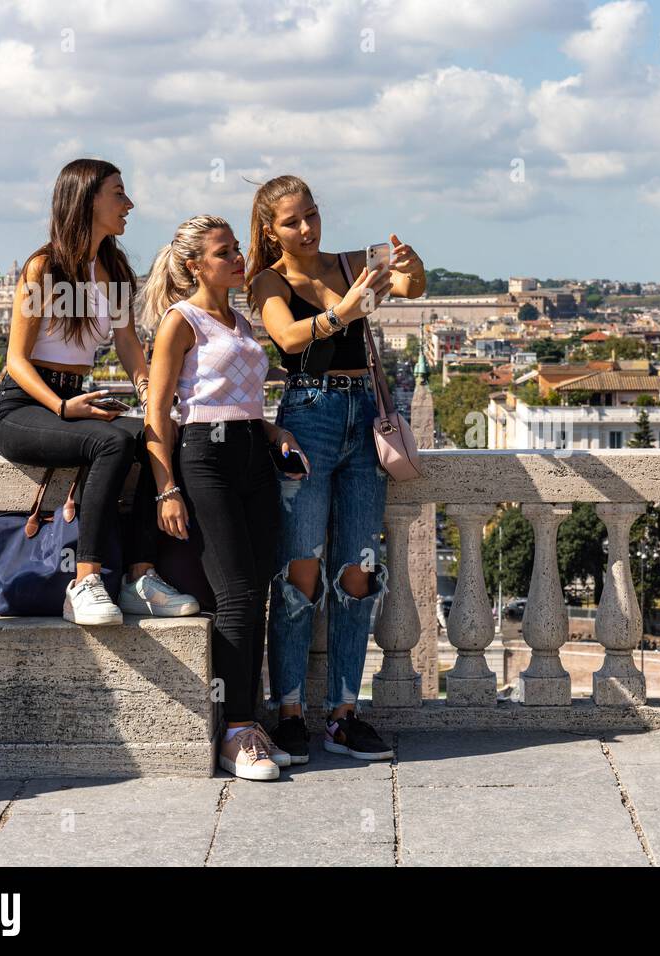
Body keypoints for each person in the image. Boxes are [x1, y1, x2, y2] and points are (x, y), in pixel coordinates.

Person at [246, 175, 425, 765]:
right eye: (293, 221)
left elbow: (409, 286)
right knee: (300, 573)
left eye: (312, 215)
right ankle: (291, 712)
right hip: (310, 412)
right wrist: (342, 313)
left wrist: (412, 266)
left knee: (357, 571)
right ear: (271, 229)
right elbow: (289, 340)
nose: (307, 228)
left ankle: (345, 715)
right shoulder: (269, 280)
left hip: (363, 413)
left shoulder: (351, 263)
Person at [0, 158, 199, 626]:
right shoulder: (43, 267)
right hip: (25, 406)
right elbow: (16, 362)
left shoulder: (115, 268)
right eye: (118, 193)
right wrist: (62, 406)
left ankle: (139, 577)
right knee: (111, 441)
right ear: (87, 199)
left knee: (158, 432)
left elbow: (126, 343)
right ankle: (85, 581)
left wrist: (149, 392)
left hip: (74, 400)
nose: (129, 204)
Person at [143, 214, 308, 782]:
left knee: (258, 587)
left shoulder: (240, 319)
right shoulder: (179, 321)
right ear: (195, 266)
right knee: (235, 591)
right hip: (203, 458)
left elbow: (240, 402)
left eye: (237, 249)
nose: (238, 259)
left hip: (251, 454)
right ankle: (235, 732)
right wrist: (166, 487)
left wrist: (272, 432)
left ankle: (248, 722)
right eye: (224, 253)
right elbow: (158, 412)